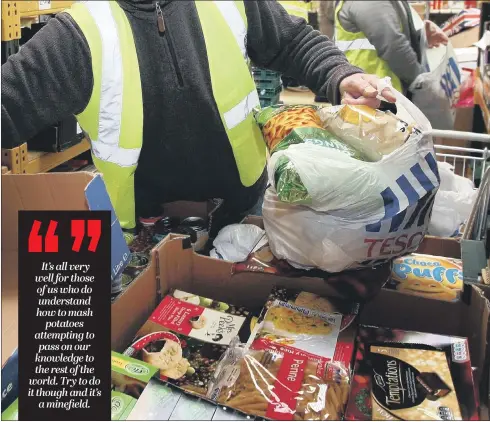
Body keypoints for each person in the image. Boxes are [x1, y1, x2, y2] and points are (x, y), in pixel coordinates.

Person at [2, 0, 395, 244]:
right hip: (145, 237)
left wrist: (340, 75)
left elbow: (291, 41)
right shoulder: (82, 32)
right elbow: (9, 103)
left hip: (249, 213)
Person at [334, 0, 448, 95]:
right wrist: (424, 85)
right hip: (373, 94)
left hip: (380, 92)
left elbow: (389, 32)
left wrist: (419, 37)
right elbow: (394, 47)